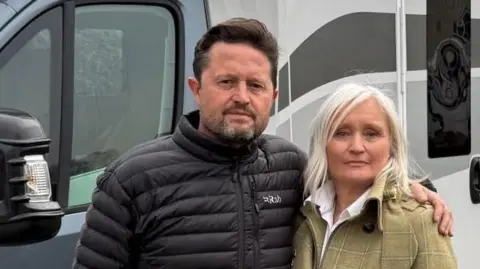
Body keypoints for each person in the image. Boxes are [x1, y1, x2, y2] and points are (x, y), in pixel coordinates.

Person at [72, 18, 452, 269]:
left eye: (255, 86)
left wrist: (420, 191)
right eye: (226, 82)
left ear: (272, 96)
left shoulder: (288, 167)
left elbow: (352, 181)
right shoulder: (132, 179)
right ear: (197, 89)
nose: (241, 96)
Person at [291, 83, 457, 269]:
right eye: (341, 133)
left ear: (392, 146)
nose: (356, 147)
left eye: (371, 134)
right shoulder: (306, 213)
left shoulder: (421, 221)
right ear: (323, 144)